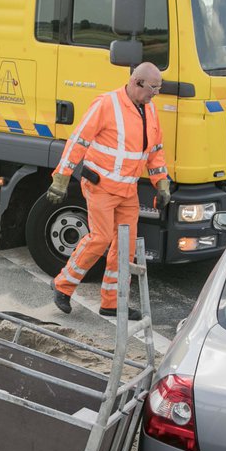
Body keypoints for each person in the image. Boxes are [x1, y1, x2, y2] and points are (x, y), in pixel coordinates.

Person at [46, 61, 171, 320]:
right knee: (100, 238)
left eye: (159, 89)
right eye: (153, 88)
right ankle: (62, 285)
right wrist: (61, 178)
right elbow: (78, 141)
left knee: (125, 247)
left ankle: (113, 303)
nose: (156, 94)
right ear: (137, 82)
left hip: (128, 191)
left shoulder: (149, 109)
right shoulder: (107, 104)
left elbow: (155, 150)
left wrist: (161, 183)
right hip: (101, 187)